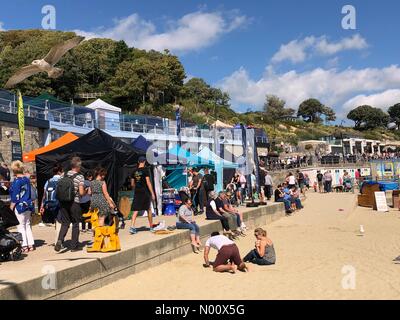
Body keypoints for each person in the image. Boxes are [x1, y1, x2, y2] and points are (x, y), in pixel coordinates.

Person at [55, 157, 87, 252]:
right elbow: (81, 193)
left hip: (63, 202)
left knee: (65, 223)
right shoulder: (80, 177)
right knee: (76, 223)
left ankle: (60, 241)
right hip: (74, 202)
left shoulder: (63, 175)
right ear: (78, 166)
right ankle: (74, 246)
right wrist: (85, 191)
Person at [9, 161, 35, 252]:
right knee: (27, 225)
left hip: (20, 206)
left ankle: (24, 245)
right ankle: (30, 244)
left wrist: (11, 207)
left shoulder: (16, 182)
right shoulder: (26, 180)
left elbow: (15, 196)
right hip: (28, 204)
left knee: (21, 226)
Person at [129, 156, 156, 234]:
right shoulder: (145, 170)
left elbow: (132, 184)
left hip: (137, 192)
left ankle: (132, 227)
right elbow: (148, 182)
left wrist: (136, 187)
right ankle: (151, 227)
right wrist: (152, 193)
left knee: (135, 210)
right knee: (148, 209)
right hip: (145, 192)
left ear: (138, 162)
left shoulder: (133, 171)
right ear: (144, 162)